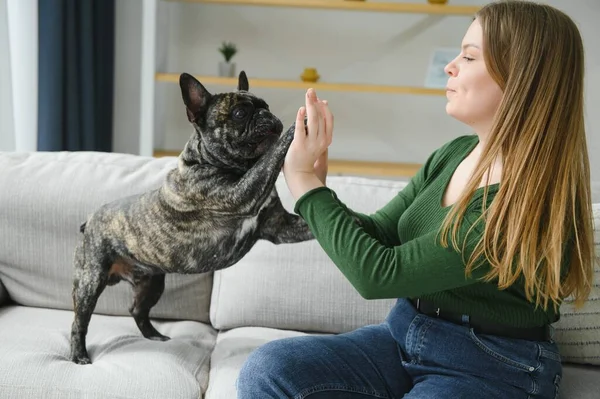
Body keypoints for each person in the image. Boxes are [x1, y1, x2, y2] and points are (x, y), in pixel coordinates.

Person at [236, 0, 596, 398]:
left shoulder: (524, 203)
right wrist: (319, 190)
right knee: (270, 369)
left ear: (521, 78)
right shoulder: (454, 153)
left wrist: (306, 185)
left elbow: (378, 273)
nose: (450, 65)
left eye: (469, 56)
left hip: (493, 365)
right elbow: (380, 234)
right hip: (404, 335)